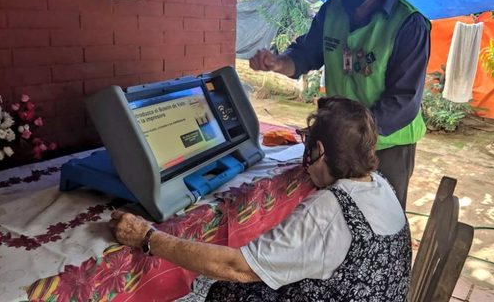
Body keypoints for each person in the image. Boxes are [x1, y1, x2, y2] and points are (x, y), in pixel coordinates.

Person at [110, 96, 411, 301]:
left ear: (319, 151)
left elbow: (237, 267)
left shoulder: (329, 210)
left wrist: (148, 238)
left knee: (225, 289)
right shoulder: (381, 185)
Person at [249, 0, 431, 209]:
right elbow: (304, 54)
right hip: (336, 140)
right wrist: (278, 63)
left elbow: (403, 102)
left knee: (377, 222)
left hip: (386, 147)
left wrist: (351, 135)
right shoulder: (331, 11)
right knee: (333, 217)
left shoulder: (409, 25)